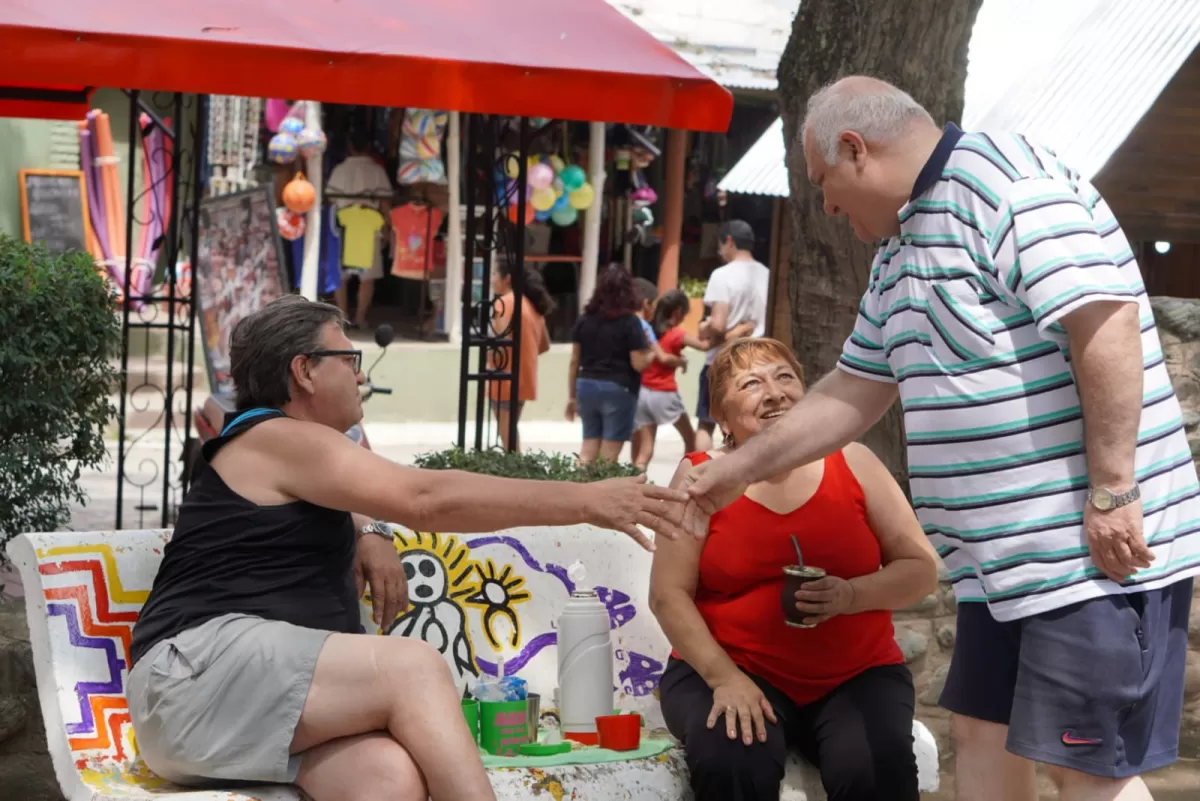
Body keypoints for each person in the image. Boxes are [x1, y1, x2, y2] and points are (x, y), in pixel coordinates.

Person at [681, 76, 1200, 801]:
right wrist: (734, 471)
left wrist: (1113, 487)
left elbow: (1103, 321)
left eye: (825, 182)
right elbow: (849, 392)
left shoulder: (1011, 184)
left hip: (1079, 556)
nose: (825, 205)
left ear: (857, 150)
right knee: (982, 741)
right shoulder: (900, 249)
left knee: (1087, 770)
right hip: (999, 570)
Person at [127, 295, 687, 801]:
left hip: (230, 710)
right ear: (304, 371)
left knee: (388, 779)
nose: (359, 374)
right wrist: (587, 501)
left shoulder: (288, 449)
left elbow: (356, 490)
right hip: (193, 683)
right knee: (412, 668)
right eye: (348, 359)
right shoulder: (274, 437)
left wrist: (368, 530)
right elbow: (424, 497)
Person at [652, 337, 938, 801]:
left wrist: (851, 595)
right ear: (721, 417)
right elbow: (668, 594)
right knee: (732, 759)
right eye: (750, 383)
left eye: (785, 377)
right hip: (731, 667)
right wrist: (726, 679)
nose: (774, 392)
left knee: (873, 767)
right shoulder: (700, 477)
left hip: (855, 673)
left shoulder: (855, 461)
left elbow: (921, 570)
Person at [631, 289, 753, 471]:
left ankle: (635, 482)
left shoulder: (649, 332)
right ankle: (688, 478)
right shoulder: (677, 334)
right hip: (665, 393)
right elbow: (705, 346)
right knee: (690, 439)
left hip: (643, 393)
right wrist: (739, 330)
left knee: (645, 450)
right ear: (677, 313)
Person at [694, 220, 770, 452]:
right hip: (756, 361)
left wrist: (705, 326)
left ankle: (699, 473)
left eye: (720, 245)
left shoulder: (722, 275)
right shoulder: (767, 273)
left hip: (722, 360)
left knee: (706, 424)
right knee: (748, 425)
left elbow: (718, 324)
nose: (720, 251)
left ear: (729, 241)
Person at [566, 265, 652, 464]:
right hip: (618, 388)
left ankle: (578, 489)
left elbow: (573, 362)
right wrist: (652, 354)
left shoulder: (584, 320)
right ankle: (600, 491)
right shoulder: (630, 322)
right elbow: (638, 364)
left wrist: (572, 397)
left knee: (588, 448)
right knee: (608, 454)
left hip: (586, 386)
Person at [326, 132, 392, 329]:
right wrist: (387, 227)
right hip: (369, 224)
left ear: (350, 147)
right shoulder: (377, 171)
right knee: (367, 277)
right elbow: (385, 202)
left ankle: (343, 316)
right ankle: (360, 317)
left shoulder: (340, 169)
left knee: (341, 275)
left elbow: (330, 199)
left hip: (344, 224)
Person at [488, 262, 554, 452]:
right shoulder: (530, 304)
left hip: (503, 377)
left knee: (507, 439)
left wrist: (490, 355)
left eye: (494, 274)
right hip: (523, 377)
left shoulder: (505, 303)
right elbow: (544, 345)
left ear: (506, 278)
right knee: (511, 431)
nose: (492, 280)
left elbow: (501, 342)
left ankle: (516, 475)